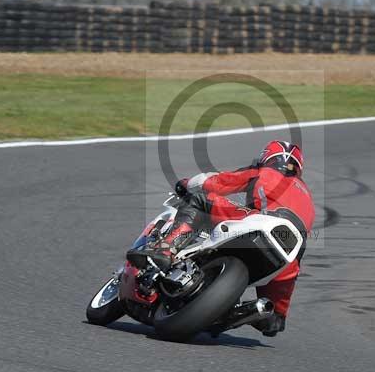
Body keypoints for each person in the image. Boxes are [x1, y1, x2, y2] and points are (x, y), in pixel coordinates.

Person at [128, 140, 314, 337]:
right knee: (273, 320)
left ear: (266, 157)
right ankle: (243, 313)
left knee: (199, 199)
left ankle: (165, 248)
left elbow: (218, 182)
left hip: (263, 221)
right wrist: (279, 312)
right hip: (292, 247)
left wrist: (186, 184)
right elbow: (294, 261)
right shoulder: (307, 196)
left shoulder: (264, 171)